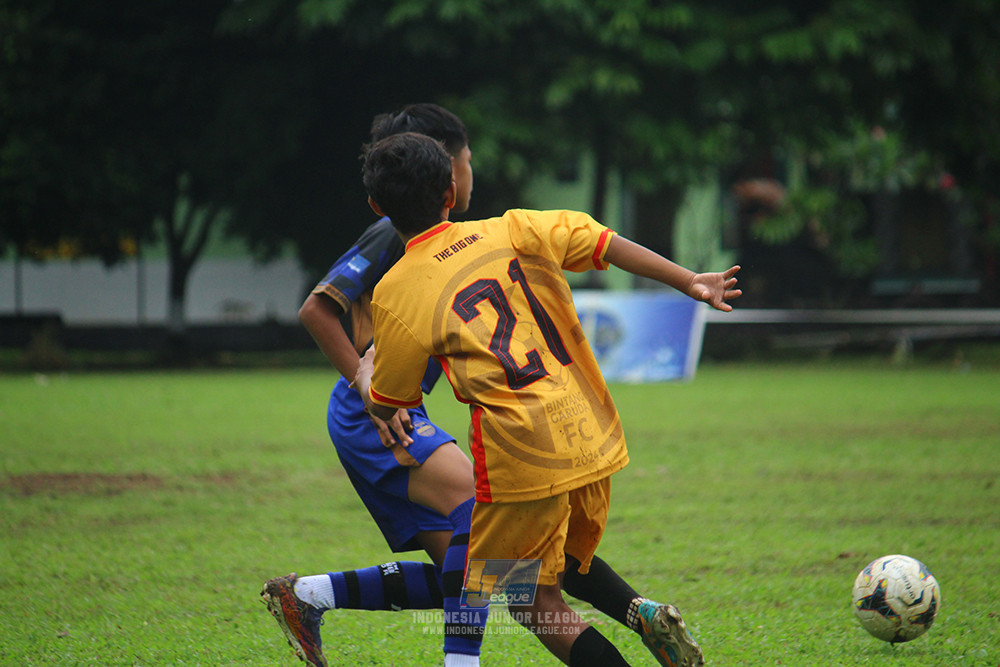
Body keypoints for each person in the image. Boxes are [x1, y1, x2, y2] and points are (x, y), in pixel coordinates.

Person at [354, 132, 742, 667]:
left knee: (512, 593)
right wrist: (689, 280)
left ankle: (333, 601)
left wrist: (367, 368)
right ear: (450, 190)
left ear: (376, 207)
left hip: (519, 454)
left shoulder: (394, 291)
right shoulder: (514, 227)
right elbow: (601, 241)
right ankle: (639, 613)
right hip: (590, 431)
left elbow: (390, 400)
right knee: (550, 570)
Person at [260, 104, 488, 667]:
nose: (469, 173)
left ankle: (308, 594)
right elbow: (317, 310)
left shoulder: (448, 240)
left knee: (476, 572)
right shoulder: (391, 232)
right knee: (482, 520)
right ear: (447, 171)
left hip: (396, 407)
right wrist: (365, 381)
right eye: (465, 160)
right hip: (373, 411)